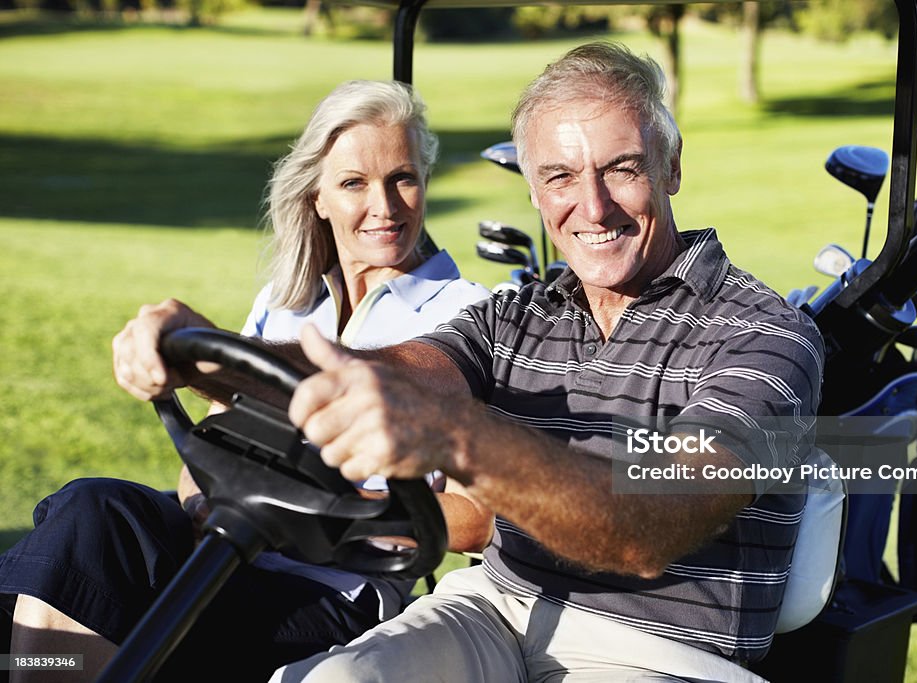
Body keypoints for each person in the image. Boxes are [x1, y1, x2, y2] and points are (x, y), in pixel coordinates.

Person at [112, 42, 825, 682]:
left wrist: (455, 433)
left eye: (622, 168)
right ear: (535, 190)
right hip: (495, 611)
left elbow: (644, 527)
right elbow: (392, 369)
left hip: (661, 653)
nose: (592, 205)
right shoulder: (521, 313)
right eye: (559, 177)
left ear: (671, 167)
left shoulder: (764, 338)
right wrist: (208, 358)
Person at [0, 79, 492, 683]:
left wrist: (325, 515)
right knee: (89, 513)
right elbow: (216, 442)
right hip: (231, 550)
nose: (385, 207)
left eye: (403, 178)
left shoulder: (467, 315)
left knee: (95, 604)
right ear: (317, 197)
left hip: (330, 594)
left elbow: (479, 519)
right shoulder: (286, 305)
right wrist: (200, 499)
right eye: (354, 183)